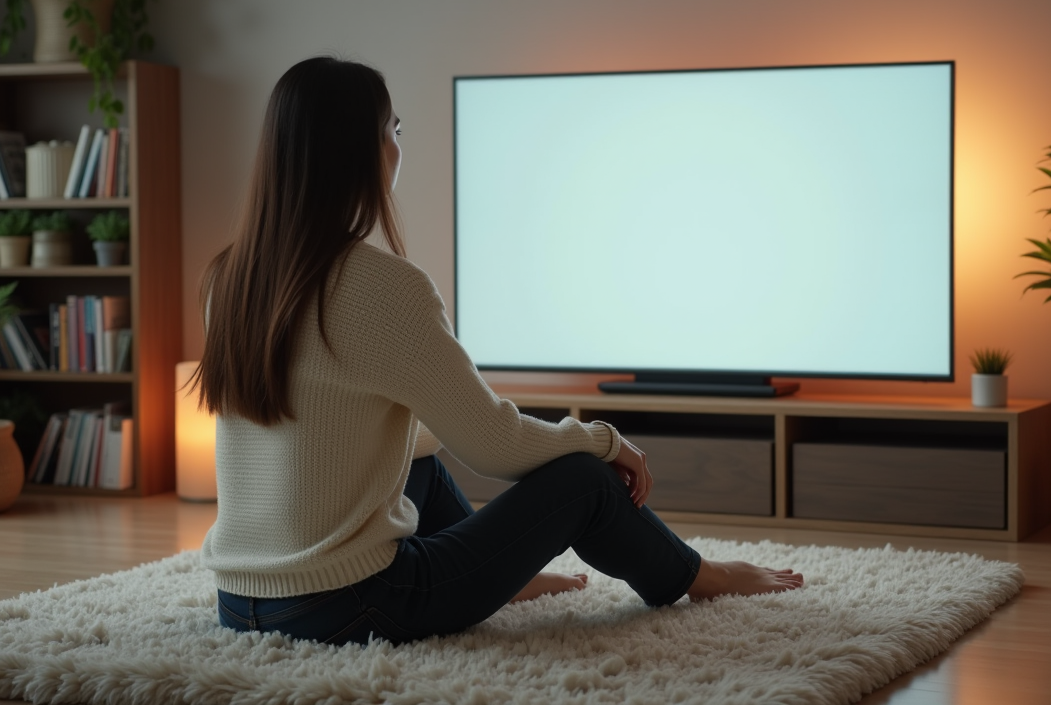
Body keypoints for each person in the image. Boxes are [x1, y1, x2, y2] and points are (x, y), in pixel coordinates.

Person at [198, 56, 803, 645]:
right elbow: (495, 445)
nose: (397, 146)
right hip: (356, 604)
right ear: (362, 148)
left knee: (420, 463)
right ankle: (701, 577)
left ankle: (506, 578)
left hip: (240, 602)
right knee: (585, 480)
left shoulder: (233, 278)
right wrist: (604, 440)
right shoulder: (383, 288)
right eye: (394, 130)